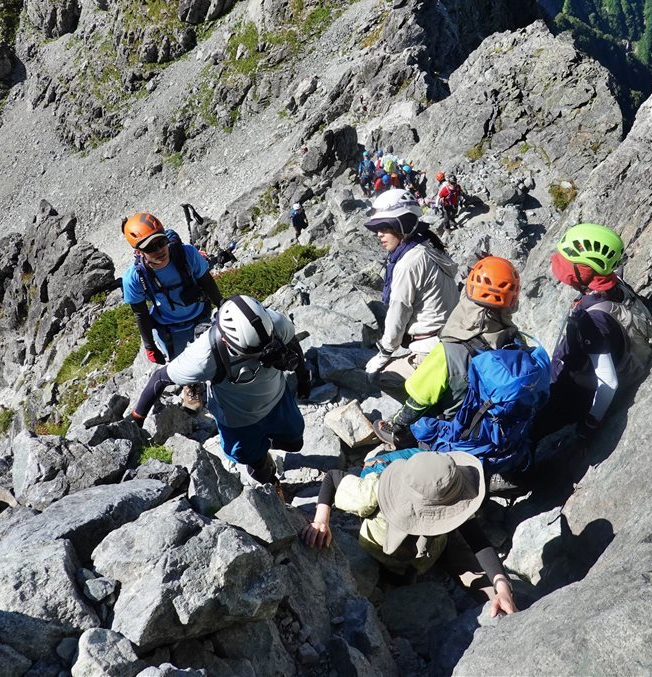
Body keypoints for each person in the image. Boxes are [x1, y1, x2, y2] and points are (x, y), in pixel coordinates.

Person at [301, 450, 518, 616]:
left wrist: (501, 584)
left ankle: (502, 602)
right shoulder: (373, 493)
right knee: (399, 576)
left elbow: (476, 538)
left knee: (494, 591)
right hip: (388, 554)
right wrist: (321, 520)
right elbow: (333, 478)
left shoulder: (449, 491)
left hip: (439, 544)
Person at [131, 295, 310, 493]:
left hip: (277, 401)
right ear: (225, 340)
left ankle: (263, 448)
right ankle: (270, 477)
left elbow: (292, 344)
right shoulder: (204, 355)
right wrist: (136, 420)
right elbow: (160, 378)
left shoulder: (274, 324)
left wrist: (304, 378)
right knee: (256, 463)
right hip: (238, 421)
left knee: (295, 444)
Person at [372, 255, 526, 447]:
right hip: (504, 433)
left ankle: (416, 438)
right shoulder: (518, 342)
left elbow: (418, 401)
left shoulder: (449, 352)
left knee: (420, 403)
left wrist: (397, 423)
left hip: (460, 437)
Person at [533, 224, 652, 441]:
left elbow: (608, 381)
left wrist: (590, 423)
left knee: (534, 427)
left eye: (567, 260)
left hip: (574, 392)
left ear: (585, 270)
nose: (558, 262)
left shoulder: (594, 319)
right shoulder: (613, 283)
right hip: (579, 373)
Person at [363, 189, 458, 394]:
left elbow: (399, 312)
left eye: (384, 227)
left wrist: (384, 354)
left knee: (380, 377)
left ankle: (427, 417)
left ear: (403, 224)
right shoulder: (427, 247)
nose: (379, 234)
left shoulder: (408, 263)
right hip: (451, 340)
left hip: (431, 349)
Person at [121, 212, 224, 365]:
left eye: (162, 242)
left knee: (215, 363)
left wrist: (224, 307)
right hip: (169, 331)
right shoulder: (133, 278)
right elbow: (140, 314)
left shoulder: (187, 254)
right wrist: (150, 346)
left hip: (201, 319)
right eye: (150, 247)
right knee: (185, 370)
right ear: (138, 251)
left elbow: (207, 282)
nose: (159, 250)